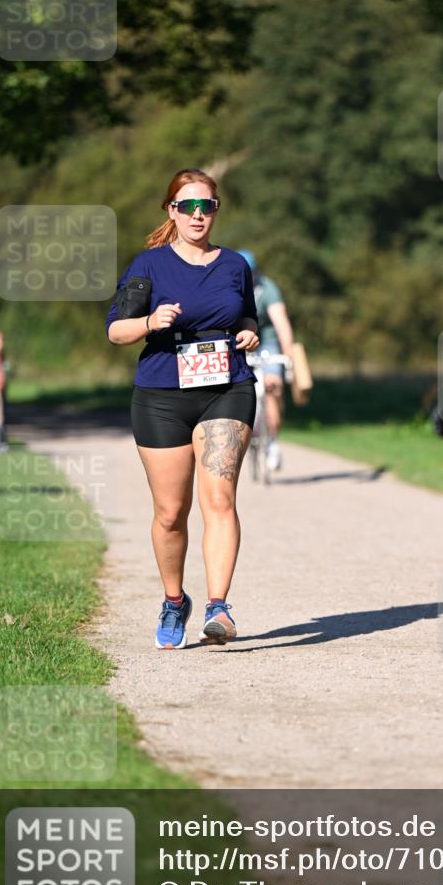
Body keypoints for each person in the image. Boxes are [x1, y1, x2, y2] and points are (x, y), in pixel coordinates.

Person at [105, 168, 260, 650]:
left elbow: (247, 313)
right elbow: (116, 331)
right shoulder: (149, 265)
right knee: (171, 512)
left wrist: (250, 332)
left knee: (220, 499)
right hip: (161, 396)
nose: (198, 215)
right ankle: (175, 601)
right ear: (171, 211)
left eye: (206, 206)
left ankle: (218, 608)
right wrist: (150, 321)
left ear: (216, 210)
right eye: (188, 206)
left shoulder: (235, 265)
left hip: (227, 388)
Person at [238, 250, 294, 471]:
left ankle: (272, 440)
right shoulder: (228, 287)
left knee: (272, 386)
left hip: (267, 342)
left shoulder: (267, 288)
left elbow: (281, 323)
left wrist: (287, 355)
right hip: (240, 341)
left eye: (251, 273)